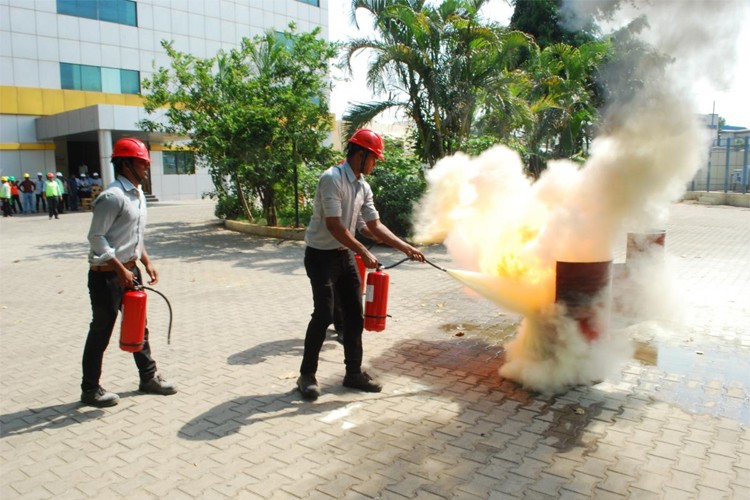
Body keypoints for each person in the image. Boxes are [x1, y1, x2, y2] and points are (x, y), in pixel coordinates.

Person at [297, 129, 425, 401]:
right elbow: (334, 226)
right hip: (320, 255)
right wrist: (364, 251)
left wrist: (406, 247)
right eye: (374, 158)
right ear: (361, 155)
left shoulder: (362, 186)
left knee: (355, 315)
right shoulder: (331, 179)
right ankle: (306, 375)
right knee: (324, 314)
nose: (375, 164)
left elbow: (372, 225)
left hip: (343, 255)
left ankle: (353, 373)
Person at [81, 137, 176, 407]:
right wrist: (120, 268)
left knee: (138, 325)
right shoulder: (112, 197)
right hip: (106, 275)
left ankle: (148, 378)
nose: (146, 168)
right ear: (125, 164)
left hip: (129, 271)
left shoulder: (137, 195)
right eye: (141, 163)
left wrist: (146, 261)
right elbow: (96, 237)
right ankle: (90, 389)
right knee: (102, 330)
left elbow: (133, 236)